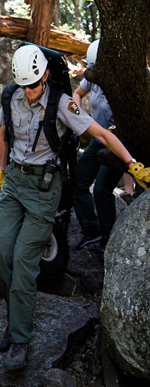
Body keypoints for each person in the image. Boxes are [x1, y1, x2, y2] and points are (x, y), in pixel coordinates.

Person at [0, 44, 149, 372]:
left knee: (24, 259)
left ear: (45, 75)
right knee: (2, 254)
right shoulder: (11, 96)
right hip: (13, 185)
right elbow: (4, 134)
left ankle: (20, 336)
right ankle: (13, 318)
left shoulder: (61, 104)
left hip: (43, 188)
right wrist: (1, 172)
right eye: (24, 85)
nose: (30, 91)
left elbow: (100, 134)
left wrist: (132, 164)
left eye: (34, 84)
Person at [72, 40, 131, 252]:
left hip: (118, 143)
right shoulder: (92, 79)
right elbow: (77, 94)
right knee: (78, 180)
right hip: (98, 139)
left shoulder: (122, 82)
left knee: (102, 188)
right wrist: (76, 115)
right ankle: (91, 230)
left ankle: (108, 237)